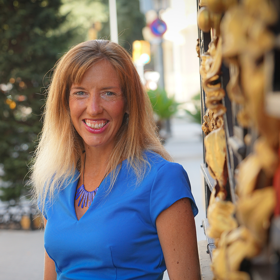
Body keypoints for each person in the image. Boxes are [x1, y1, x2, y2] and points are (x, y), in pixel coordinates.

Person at [31, 40, 200, 280]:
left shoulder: (162, 179)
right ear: (65, 103)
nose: (93, 108)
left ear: (129, 102)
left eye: (108, 93)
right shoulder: (54, 181)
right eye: (80, 93)